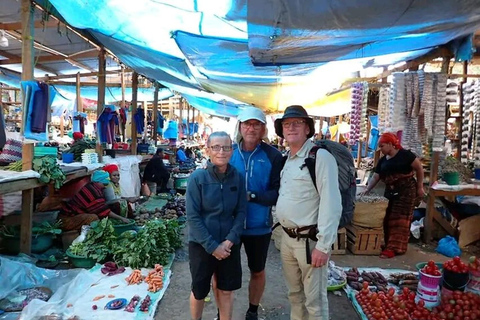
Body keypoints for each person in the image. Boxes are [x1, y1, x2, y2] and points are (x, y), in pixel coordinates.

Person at [274, 105, 342, 320]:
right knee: (294, 294)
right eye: (287, 124)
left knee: (314, 301)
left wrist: (323, 246)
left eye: (297, 123)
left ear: (307, 129)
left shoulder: (320, 158)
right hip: (287, 239)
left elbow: (332, 204)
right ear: (282, 131)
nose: (291, 127)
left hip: (309, 242)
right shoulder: (288, 159)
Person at [228, 107, 283, 320]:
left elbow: (277, 193)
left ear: (263, 129)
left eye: (256, 124)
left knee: (257, 270)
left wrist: (251, 196)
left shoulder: (273, 156)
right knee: (225, 272)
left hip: (259, 225)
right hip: (230, 225)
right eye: (247, 124)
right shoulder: (228, 152)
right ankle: (223, 312)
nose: (251, 128)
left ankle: (252, 310)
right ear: (240, 127)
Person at [187, 131, 246, 320]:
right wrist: (213, 247)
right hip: (202, 245)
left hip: (229, 245)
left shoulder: (237, 177)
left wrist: (229, 241)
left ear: (232, 150)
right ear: (208, 150)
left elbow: (241, 212)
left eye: (226, 147)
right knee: (199, 291)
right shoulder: (197, 178)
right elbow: (193, 217)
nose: (221, 151)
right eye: (216, 147)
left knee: (226, 290)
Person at [360, 132, 425, 259]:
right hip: (390, 192)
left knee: (399, 219)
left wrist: (420, 187)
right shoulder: (383, 160)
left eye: (382, 145)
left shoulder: (406, 155)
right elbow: (376, 176)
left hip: (406, 191)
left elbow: (419, 168)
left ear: (390, 144)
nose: (380, 149)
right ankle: (389, 244)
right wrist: (367, 189)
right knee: (387, 218)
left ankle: (394, 248)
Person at [59, 170, 130, 231]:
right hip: (66, 219)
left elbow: (102, 206)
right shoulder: (93, 192)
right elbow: (104, 211)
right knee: (93, 218)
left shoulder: (92, 186)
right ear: (98, 181)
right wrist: (122, 218)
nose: (105, 187)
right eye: (104, 184)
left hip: (75, 214)